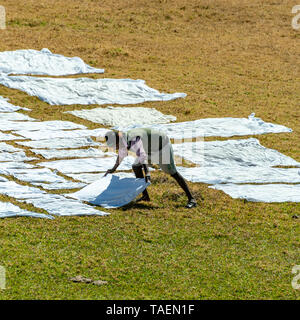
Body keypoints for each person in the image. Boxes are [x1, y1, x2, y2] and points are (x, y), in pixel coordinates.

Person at [104, 128, 197, 209]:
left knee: (172, 172)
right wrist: (113, 169)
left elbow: (142, 156)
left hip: (161, 147)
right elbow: (122, 154)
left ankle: (191, 199)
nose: (116, 148)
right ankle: (145, 196)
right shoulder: (123, 139)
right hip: (149, 149)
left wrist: (147, 173)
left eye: (115, 145)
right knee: (136, 167)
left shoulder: (133, 139)